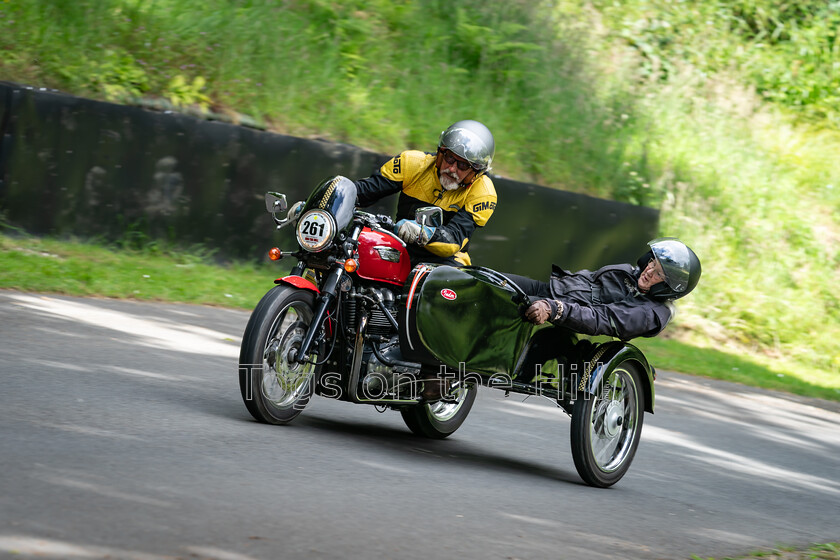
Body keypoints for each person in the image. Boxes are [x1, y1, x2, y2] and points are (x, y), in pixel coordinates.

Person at [353, 120, 497, 267]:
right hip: (400, 245)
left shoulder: (484, 194)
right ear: (441, 152)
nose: (452, 169)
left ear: (476, 171)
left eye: (463, 165)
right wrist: (342, 188)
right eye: (449, 157)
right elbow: (366, 191)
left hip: (446, 261)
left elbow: (453, 240)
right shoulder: (412, 163)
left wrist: (422, 232)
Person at [508, 237, 701, 340]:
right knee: (490, 281)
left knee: (502, 303)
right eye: (652, 263)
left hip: (564, 316)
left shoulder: (650, 313)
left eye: (659, 273)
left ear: (668, 287)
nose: (649, 271)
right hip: (549, 291)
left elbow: (601, 319)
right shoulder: (629, 273)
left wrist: (556, 308)